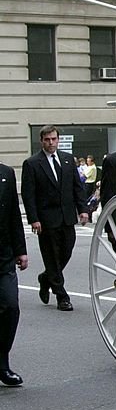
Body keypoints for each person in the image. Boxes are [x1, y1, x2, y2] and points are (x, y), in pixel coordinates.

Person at [21, 126, 89, 312]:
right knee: (51, 257)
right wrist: (34, 218)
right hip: (46, 219)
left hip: (67, 217)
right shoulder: (33, 163)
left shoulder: (68, 160)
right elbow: (29, 194)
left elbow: (77, 187)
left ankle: (46, 278)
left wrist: (83, 209)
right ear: (41, 141)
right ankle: (62, 296)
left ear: (58, 140)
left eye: (54, 139)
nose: (51, 143)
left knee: (66, 250)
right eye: (47, 140)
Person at [1, 160, 28, 386]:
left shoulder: (6, 173)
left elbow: (13, 214)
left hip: (3, 255)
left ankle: (2, 362)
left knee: (11, 307)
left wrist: (21, 251)